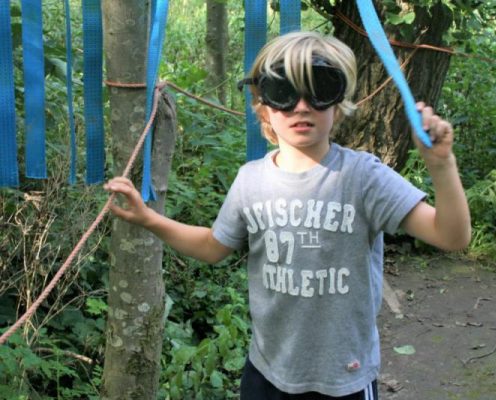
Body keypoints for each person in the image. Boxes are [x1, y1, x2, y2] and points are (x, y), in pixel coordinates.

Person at [104, 31, 470, 400]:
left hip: (344, 379)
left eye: (319, 90)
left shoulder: (363, 178)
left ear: (338, 103)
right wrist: (149, 219)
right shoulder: (251, 181)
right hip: (267, 374)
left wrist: (442, 166)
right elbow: (214, 246)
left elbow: (451, 236)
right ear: (263, 106)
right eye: (283, 92)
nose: (301, 107)